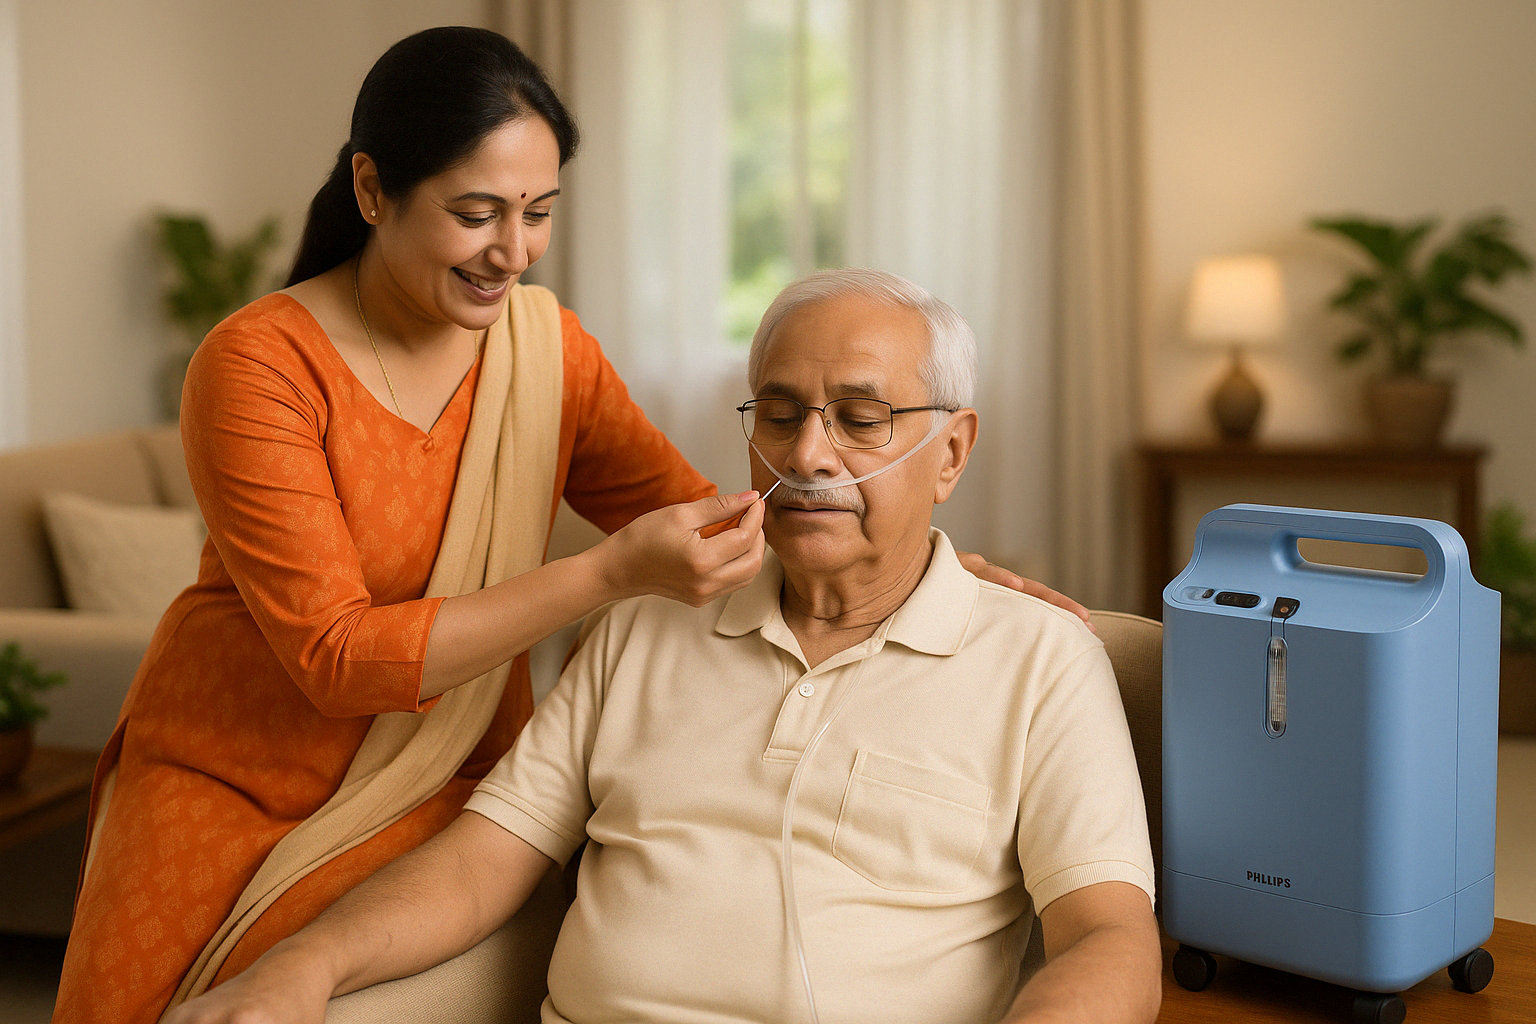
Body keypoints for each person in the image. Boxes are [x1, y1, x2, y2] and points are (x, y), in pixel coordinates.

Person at [55, 29, 1084, 1024]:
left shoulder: (544, 355)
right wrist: (605, 575)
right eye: (476, 213)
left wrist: (922, 562)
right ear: (371, 189)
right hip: (230, 764)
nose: (514, 251)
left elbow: (724, 520)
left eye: (539, 212)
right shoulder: (257, 365)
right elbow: (337, 658)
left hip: (438, 770)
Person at [168, 269, 1161, 1024]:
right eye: (780, 415)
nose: (808, 455)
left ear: (951, 452)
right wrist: (306, 964)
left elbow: (1108, 935)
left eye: (861, 421)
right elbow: (480, 863)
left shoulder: (1041, 662)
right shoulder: (642, 625)